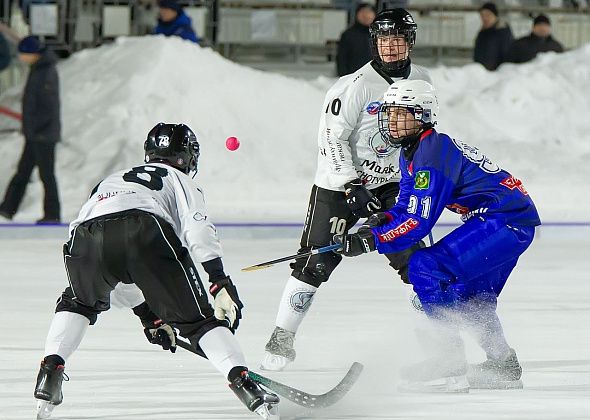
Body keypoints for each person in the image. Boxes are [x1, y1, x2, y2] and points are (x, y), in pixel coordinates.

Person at [33, 123, 279, 419]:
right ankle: (244, 384)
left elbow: (120, 270)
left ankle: (51, 369)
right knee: (199, 323)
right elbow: (198, 231)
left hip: (84, 238)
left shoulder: (112, 180)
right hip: (145, 228)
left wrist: (150, 316)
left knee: (78, 302)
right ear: (188, 156)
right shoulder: (179, 179)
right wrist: (218, 280)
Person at [334, 80, 541, 392]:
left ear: (423, 116)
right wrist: (379, 222)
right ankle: (502, 364)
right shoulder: (416, 151)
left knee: (424, 266)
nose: (392, 121)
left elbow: (418, 222)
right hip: (512, 220)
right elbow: (406, 205)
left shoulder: (431, 156)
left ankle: (448, 360)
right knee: (472, 300)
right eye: (390, 113)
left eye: (401, 114)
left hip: (505, 221)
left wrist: (373, 241)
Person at [261, 8, 432, 372]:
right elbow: (330, 139)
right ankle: (282, 334)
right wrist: (352, 184)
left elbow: (426, 135)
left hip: (394, 187)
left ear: (410, 43)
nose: (389, 47)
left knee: (418, 264)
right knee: (315, 262)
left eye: (397, 40)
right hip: (340, 185)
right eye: (384, 40)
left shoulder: (422, 80)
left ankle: (435, 344)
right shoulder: (353, 86)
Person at [0, 36, 61, 224]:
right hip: (35, 133)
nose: (21, 57)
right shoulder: (38, 69)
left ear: (32, 53)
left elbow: (47, 105)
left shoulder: (45, 72)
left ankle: (52, 213)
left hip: (43, 134)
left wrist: (36, 128)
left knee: (46, 174)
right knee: (23, 172)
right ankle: (7, 208)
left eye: (23, 53)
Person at [336, 3, 376, 77]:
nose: (366, 15)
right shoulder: (348, 35)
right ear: (357, 15)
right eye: (363, 12)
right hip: (353, 77)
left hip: (375, 78)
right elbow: (341, 59)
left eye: (369, 12)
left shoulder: (380, 34)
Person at [473, 2, 513, 71]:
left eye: (488, 15)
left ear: (495, 15)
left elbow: (507, 56)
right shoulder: (482, 32)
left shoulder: (503, 32)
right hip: (482, 74)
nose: (485, 18)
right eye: (482, 15)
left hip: (496, 75)